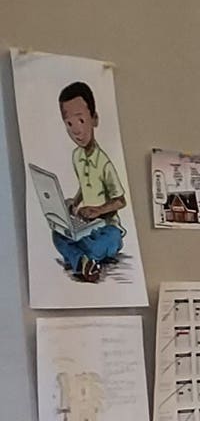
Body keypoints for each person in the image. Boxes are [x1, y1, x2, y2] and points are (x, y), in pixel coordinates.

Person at [47, 80, 128, 284]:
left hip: (108, 228)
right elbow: (85, 185)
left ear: (94, 119)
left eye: (81, 121)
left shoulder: (104, 162)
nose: (76, 130)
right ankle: (84, 263)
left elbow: (120, 201)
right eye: (69, 124)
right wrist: (74, 203)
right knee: (58, 236)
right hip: (87, 225)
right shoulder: (77, 156)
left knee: (100, 243)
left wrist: (98, 210)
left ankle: (80, 260)